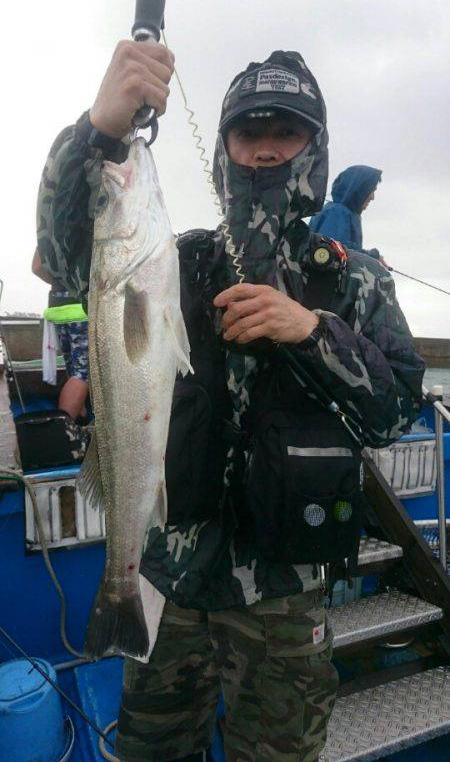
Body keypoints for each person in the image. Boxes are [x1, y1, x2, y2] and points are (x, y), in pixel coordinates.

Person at [36, 42, 425, 762]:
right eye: (250, 133)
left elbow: (398, 410)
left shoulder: (356, 282)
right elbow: (62, 256)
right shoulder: (174, 261)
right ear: (223, 148)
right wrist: (99, 130)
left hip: (283, 600)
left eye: (287, 132)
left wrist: (311, 331)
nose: (267, 151)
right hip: (166, 583)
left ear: (315, 145)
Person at [32, 248, 89, 421]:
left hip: (57, 305)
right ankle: (63, 433)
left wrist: (61, 284)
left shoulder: (51, 224)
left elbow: (37, 267)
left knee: (73, 368)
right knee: (82, 374)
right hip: (81, 308)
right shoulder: (87, 224)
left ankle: (81, 420)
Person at [309, 165, 384, 260]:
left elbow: (346, 249)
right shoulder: (337, 213)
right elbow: (334, 253)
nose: (372, 197)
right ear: (360, 189)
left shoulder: (344, 213)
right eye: (371, 190)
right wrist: (371, 257)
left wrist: (373, 259)